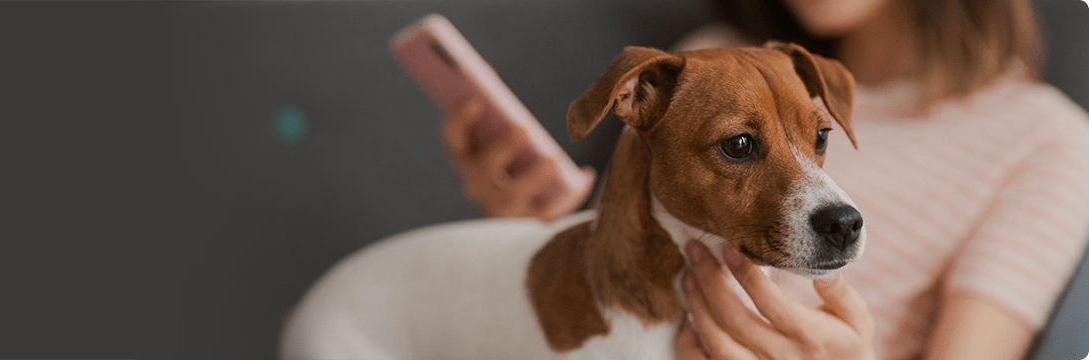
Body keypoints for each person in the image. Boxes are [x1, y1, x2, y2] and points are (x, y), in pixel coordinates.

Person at [439, 0, 1089, 359]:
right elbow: (627, 263)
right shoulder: (706, 59)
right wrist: (520, 223)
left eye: (820, 138)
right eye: (743, 144)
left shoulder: (1045, 137)